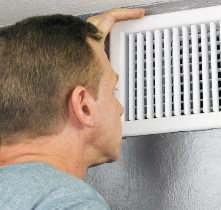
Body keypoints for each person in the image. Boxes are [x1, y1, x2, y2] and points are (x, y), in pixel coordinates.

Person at [0, 8, 145, 210]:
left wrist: (83, 60)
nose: (120, 108)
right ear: (84, 107)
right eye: (113, 90)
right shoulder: (71, 203)